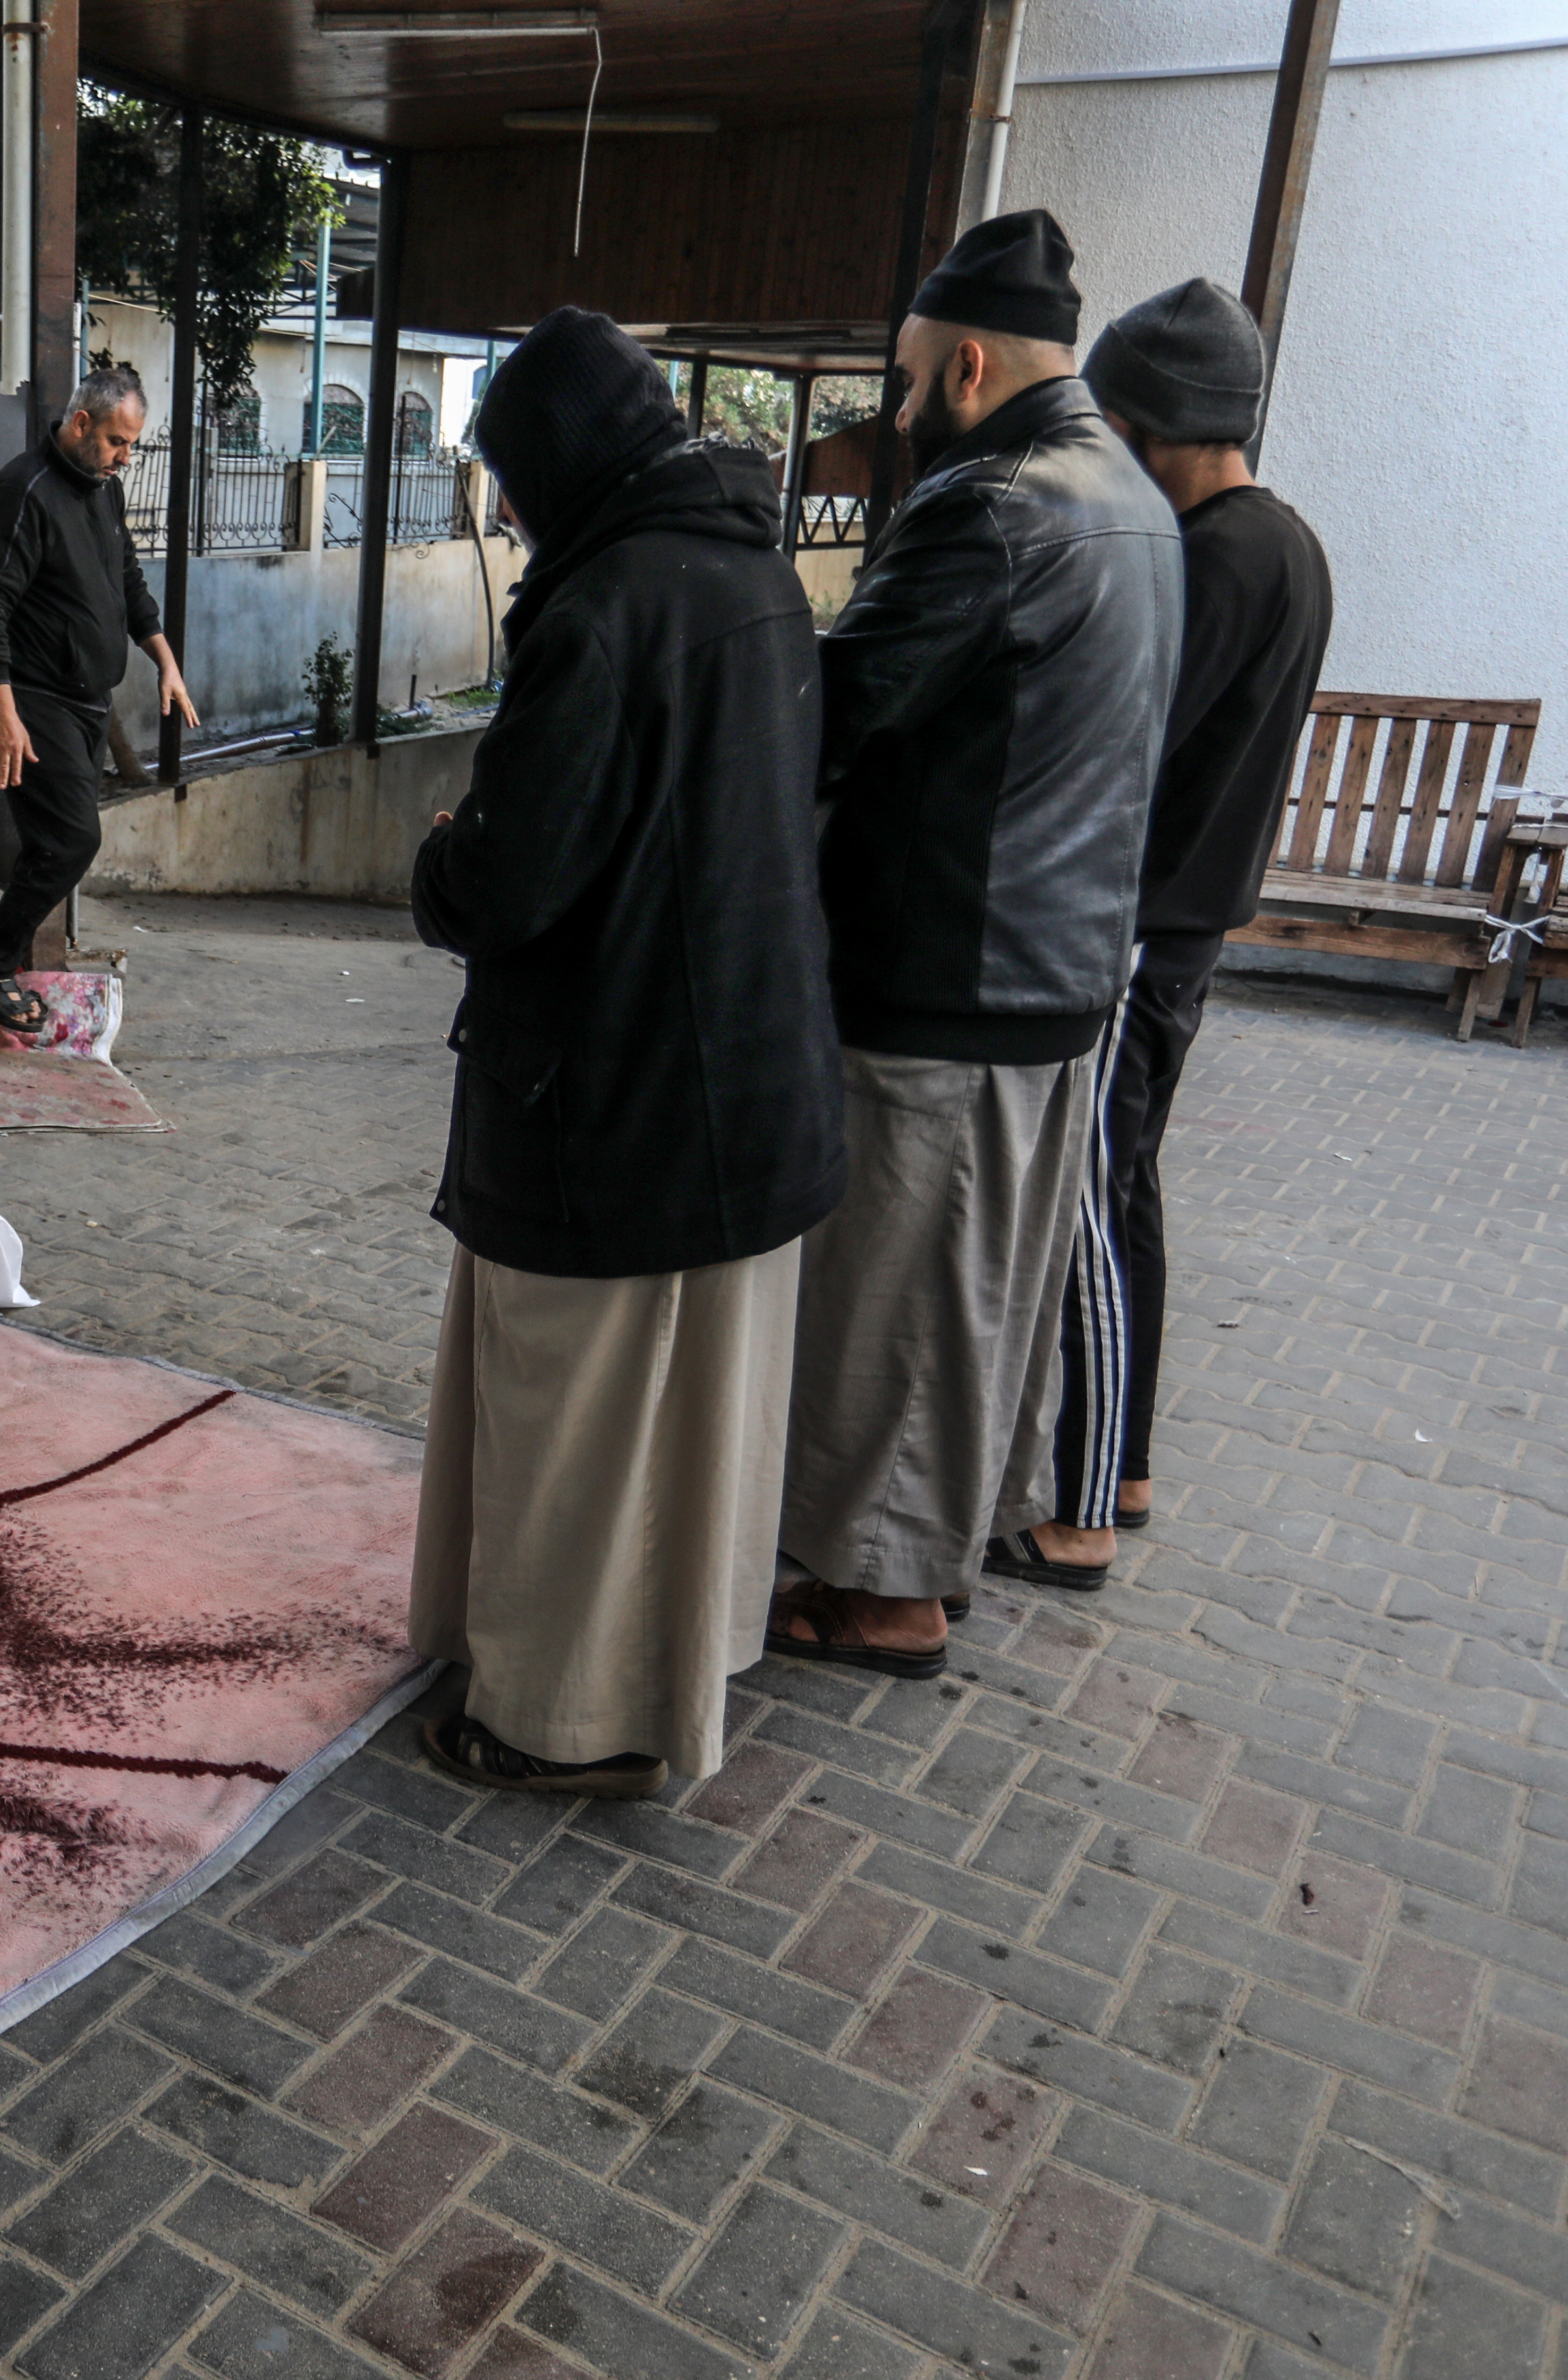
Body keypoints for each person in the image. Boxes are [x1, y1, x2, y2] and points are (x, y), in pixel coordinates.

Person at [408, 307, 846, 1797]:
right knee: (697, 1428)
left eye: (515, 478)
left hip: (614, 1097)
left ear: (566, 461)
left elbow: (514, 876)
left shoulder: (600, 610)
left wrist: (439, 860)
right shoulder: (756, 575)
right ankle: (684, 1662)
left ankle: (551, 1720)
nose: (514, 513)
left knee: (576, 1433)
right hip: (745, 1078)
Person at [765, 209, 1184, 1680]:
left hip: (951, 975)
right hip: (1061, 972)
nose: (896, 407)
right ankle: (935, 1554)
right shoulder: (1132, 494)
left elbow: (839, 709)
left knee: (905, 1300)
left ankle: (885, 1597)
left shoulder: (992, 504)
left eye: (905, 376)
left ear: (966, 365)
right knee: (978, 1300)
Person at [987, 278, 1335, 1594]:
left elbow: (1130, 739)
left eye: (1119, 420)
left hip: (1141, 928)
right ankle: (1120, 1461)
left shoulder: (1220, 556)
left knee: (1088, 1201)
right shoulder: (1287, 543)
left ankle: (1078, 1514)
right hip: (1185, 926)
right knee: (1126, 1192)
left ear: (1161, 424)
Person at [0, 364, 197, 1031]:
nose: (126, 458)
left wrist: (165, 663)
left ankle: (1, 967)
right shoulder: (22, 492)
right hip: (34, 701)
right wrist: (1, 715)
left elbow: (128, 580)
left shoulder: (101, 490)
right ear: (82, 423)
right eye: (119, 442)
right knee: (71, 840)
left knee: (51, 844)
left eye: (133, 445)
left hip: (87, 702)